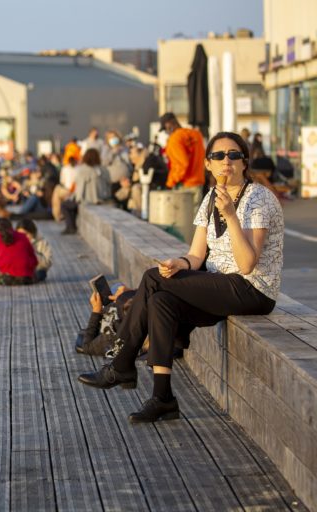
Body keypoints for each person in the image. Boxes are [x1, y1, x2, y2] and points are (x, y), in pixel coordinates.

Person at [77, 131, 284, 423]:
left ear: (244, 162)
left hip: (252, 290)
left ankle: (121, 362)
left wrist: (232, 217)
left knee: (151, 278)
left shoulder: (259, 199)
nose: (227, 161)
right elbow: (197, 256)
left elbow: (248, 264)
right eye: (218, 156)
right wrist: (179, 263)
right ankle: (163, 399)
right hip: (219, 284)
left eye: (234, 155)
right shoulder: (211, 198)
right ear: (208, 165)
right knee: (161, 300)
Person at [160, 112, 206, 207]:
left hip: (184, 186)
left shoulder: (174, 139)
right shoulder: (196, 134)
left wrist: (170, 182)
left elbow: (182, 164)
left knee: (182, 219)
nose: (166, 133)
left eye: (165, 130)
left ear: (169, 125)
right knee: (196, 218)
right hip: (198, 182)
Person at [60, 148, 111, 234]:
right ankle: (72, 227)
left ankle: (71, 227)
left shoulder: (82, 170)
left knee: (65, 205)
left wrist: (75, 198)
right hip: (103, 197)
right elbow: (109, 184)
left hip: (87, 199)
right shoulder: (104, 169)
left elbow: (79, 189)